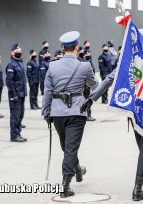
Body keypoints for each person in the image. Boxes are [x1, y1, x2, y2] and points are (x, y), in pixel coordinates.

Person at [81, 28, 143, 201]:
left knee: (142, 143)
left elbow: (109, 79)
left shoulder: (128, 61)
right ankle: (138, 189)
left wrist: (92, 98)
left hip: (134, 110)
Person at [41, 31, 99, 198]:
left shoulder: (52, 66)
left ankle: (78, 171)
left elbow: (48, 92)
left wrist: (46, 111)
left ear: (62, 48)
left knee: (67, 146)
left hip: (57, 113)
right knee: (70, 148)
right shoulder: (85, 66)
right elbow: (93, 84)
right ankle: (66, 185)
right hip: (77, 112)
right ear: (77, 48)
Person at [6, 43, 28, 142]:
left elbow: (22, 80)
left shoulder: (20, 63)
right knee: (15, 115)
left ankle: (18, 133)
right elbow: (9, 82)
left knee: (20, 115)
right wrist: (14, 94)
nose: (19, 53)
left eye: (20, 51)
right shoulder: (11, 64)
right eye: (17, 51)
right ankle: (14, 136)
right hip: (15, 95)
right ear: (12, 52)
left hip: (21, 94)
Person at [81, 50, 96, 122]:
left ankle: (88, 115)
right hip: (84, 84)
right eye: (87, 54)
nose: (88, 55)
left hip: (89, 83)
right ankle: (87, 115)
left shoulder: (89, 61)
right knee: (86, 99)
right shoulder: (83, 62)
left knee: (88, 98)